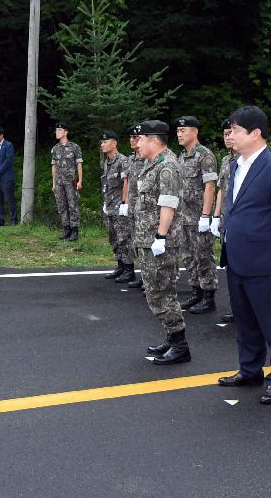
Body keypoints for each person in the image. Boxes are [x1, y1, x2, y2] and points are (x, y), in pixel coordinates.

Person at [217, 106, 271, 405]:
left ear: (255, 133)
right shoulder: (234, 165)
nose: (230, 135)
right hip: (237, 257)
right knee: (245, 321)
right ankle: (250, 369)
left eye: (236, 130)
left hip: (266, 260)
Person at [134, 120, 190, 365]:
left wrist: (161, 236)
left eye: (141, 139)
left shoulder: (167, 166)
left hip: (159, 242)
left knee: (162, 293)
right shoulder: (152, 164)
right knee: (155, 291)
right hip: (147, 239)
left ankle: (180, 346)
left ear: (154, 140)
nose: (137, 143)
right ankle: (171, 336)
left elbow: (168, 203)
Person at [176, 116, 219, 314]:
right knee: (189, 256)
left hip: (199, 216)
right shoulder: (181, 157)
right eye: (178, 131)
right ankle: (196, 291)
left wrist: (205, 215)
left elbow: (210, 187)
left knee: (203, 256)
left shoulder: (205, 155)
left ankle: (208, 296)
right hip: (183, 216)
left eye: (183, 130)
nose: (179, 134)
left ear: (195, 132)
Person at [210, 119, 236, 322]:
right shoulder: (227, 160)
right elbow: (220, 189)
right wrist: (216, 215)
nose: (228, 137)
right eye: (225, 134)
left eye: (231, 133)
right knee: (231, 267)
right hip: (227, 221)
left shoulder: (248, 159)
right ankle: (237, 309)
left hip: (241, 222)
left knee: (245, 268)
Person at [100, 130, 133, 282]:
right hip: (110, 205)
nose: (102, 144)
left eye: (105, 142)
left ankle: (129, 268)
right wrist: (105, 203)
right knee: (113, 238)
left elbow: (126, 183)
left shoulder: (123, 161)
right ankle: (120, 265)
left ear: (114, 143)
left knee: (124, 238)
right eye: (101, 142)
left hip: (120, 206)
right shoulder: (106, 161)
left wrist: (125, 203)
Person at [50, 122, 83, 241]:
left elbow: (79, 164)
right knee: (61, 206)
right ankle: (66, 229)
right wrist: (54, 183)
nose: (57, 133)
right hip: (59, 182)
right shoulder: (55, 149)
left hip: (71, 181)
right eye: (56, 131)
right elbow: (53, 167)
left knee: (73, 206)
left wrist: (80, 181)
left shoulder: (74, 147)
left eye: (59, 130)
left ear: (65, 132)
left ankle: (75, 230)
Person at [125, 124, 146, 289]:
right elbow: (126, 182)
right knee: (136, 243)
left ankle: (149, 278)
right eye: (131, 137)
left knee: (146, 243)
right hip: (132, 207)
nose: (133, 140)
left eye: (136, 137)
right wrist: (125, 203)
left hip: (146, 209)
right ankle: (143, 275)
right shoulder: (130, 159)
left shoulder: (148, 159)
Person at [0, 126, 17, 226]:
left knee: (9, 199)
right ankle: (0, 220)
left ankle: (13, 220)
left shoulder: (8, 145)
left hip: (6, 177)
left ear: (1, 135)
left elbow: (8, 160)